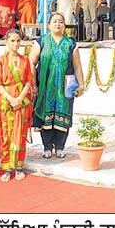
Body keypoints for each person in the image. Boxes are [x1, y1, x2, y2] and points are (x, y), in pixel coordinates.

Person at [29, 12, 85, 158]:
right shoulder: (41, 41)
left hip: (65, 87)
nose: (58, 24)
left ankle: (60, 146)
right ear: (48, 25)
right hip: (45, 87)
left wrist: (81, 85)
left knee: (64, 115)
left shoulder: (71, 44)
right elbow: (31, 63)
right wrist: (33, 85)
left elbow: (77, 66)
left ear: (64, 25)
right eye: (54, 21)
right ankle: (47, 147)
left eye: (61, 21)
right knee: (46, 116)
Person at [0, 29, 33, 181]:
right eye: (12, 41)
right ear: (6, 42)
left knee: (20, 135)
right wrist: (11, 98)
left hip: (22, 102)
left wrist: (20, 98)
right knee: (6, 135)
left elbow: (28, 81)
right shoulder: (0, 61)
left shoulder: (25, 60)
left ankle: (18, 167)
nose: (15, 44)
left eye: (18, 41)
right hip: (6, 102)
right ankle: (7, 168)